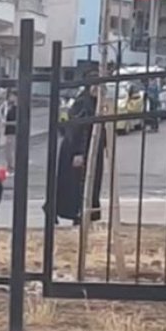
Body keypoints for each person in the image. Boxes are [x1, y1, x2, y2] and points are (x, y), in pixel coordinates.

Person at [52, 80, 105, 225]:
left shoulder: (96, 103)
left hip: (91, 150)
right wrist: (78, 153)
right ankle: (76, 213)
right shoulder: (83, 103)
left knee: (91, 182)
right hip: (78, 149)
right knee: (76, 184)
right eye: (95, 86)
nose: (97, 90)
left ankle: (86, 212)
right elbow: (76, 129)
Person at [0, 90, 18, 172]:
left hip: (12, 131)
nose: (10, 97)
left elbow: (17, 122)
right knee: (7, 150)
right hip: (8, 131)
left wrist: (6, 123)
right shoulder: (10, 107)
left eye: (12, 96)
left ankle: (11, 167)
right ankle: (10, 165)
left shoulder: (16, 108)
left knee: (10, 150)